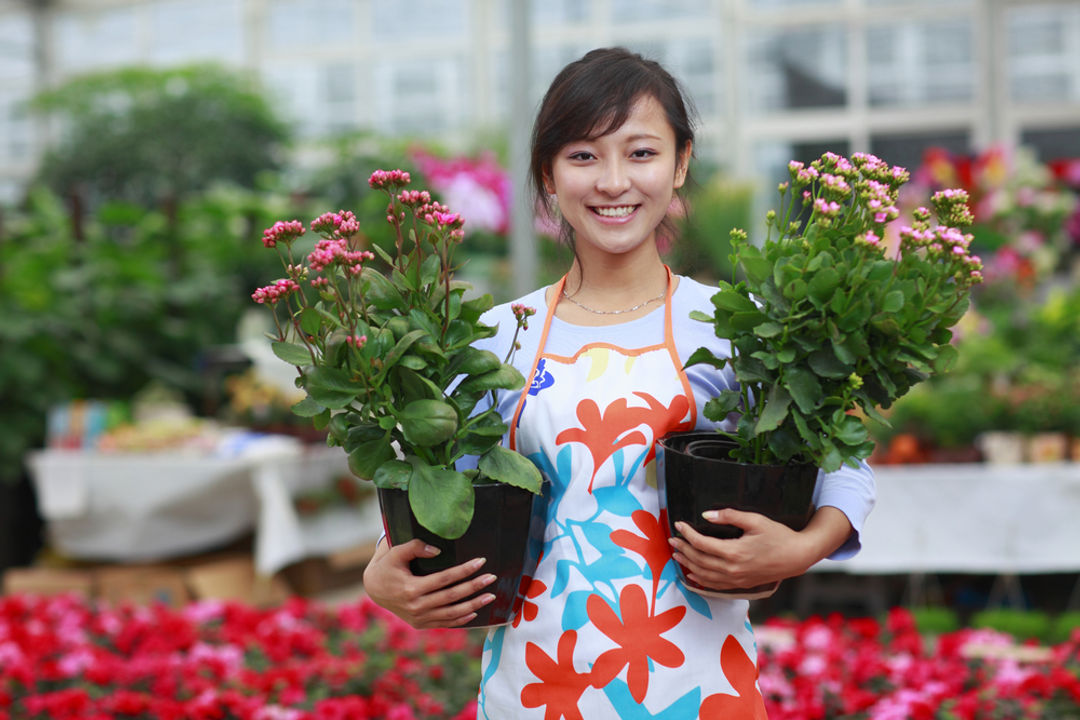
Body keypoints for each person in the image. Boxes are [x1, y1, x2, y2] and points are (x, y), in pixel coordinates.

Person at [363, 47, 875, 719]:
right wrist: (382, 570)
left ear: (681, 162)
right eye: (582, 156)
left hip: (698, 684)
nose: (612, 182)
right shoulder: (496, 334)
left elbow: (843, 464)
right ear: (548, 172)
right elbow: (440, 484)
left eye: (640, 153)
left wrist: (802, 546)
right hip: (536, 684)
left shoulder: (738, 326)